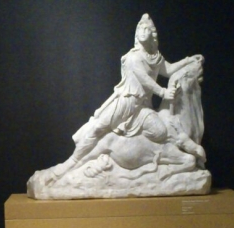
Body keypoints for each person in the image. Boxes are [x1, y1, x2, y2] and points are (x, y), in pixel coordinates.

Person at [50, 14, 202, 179]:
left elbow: (169, 69)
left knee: (160, 132)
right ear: (136, 34)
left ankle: (151, 161)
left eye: (147, 29)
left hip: (143, 107)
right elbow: (144, 80)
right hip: (127, 101)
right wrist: (163, 92)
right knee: (97, 128)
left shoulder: (155, 57)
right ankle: (71, 163)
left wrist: (188, 60)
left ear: (152, 34)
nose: (143, 31)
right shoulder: (132, 57)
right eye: (140, 28)